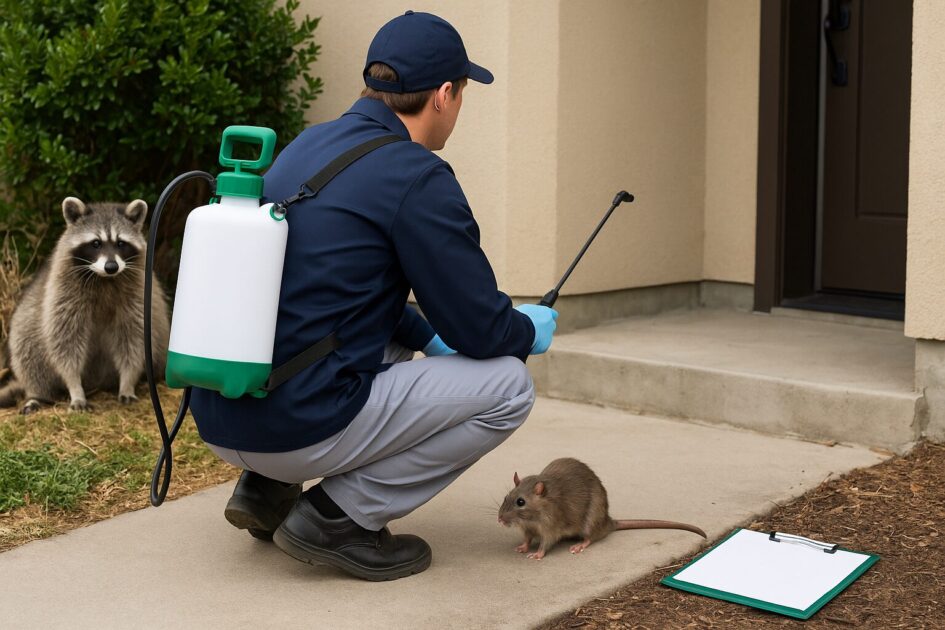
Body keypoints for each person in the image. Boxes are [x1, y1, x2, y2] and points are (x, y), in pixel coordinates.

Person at [188, 10, 559, 581]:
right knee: (509, 387)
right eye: (461, 95)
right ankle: (339, 518)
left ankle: (265, 490)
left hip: (222, 417)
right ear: (442, 95)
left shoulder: (309, 144)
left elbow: (340, 291)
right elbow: (481, 331)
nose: (459, 110)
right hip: (295, 425)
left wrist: (421, 331)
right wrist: (525, 329)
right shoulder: (416, 175)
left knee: (369, 333)